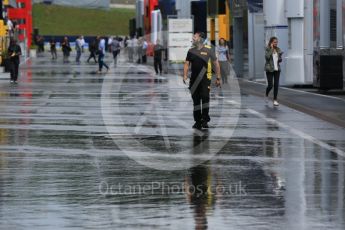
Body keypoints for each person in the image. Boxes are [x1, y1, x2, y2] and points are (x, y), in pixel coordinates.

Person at [183, 32, 221, 130]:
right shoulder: (190, 51)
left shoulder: (208, 50)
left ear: (200, 39)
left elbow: (216, 64)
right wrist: (185, 75)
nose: (193, 38)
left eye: (194, 37)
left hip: (205, 79)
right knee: (196, 101)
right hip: (194, 80)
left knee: (205, 99)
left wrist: (218, 78)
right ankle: (197, 121)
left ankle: (205, 120)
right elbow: (187, 64)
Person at [265, 36, 283, 106]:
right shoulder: (267, 49)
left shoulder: (278, 49)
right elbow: (267, 57)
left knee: (276, 85)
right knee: (270, 85)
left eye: (277, 42)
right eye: (275, 42)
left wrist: (280, 57)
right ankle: (266, 94)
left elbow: (280, 60)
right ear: (271, 42)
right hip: (269, 69)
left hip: (277, 69)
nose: (276, 43)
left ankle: (275, 100)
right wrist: (271, 49)